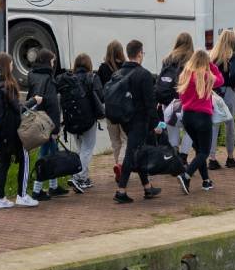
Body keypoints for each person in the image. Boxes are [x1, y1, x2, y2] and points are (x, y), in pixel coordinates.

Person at [112, 40, 165, 204]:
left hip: (125, 120)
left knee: (139, 152)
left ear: (129, 53)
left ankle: (147, 188)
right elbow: (150, 104)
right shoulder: (144, 74)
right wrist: (156, 124)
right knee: (131, 154)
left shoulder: (119, 73)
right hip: (140, 121)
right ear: (140, 53)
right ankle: (121, 191)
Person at [0, 53, 34, 208]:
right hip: (11, 132)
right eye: (12, 63)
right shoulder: (8, 85)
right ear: (7, 66)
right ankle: (22, 195)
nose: (13, 65)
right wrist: (34, 101)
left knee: (3, 164)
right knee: (25, 159)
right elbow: (17, 108)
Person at [174, 50, 224, 193]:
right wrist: (212, 65)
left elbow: (180, 95)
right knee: (204, 152)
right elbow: (221, 80)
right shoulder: (206, 76)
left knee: (199, 149)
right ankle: (186, 175)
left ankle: (206, 181)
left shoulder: (185, 75)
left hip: (188, 117)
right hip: (202, 116)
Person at [26, 49, 65, 201]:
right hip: (48, 123)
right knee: (45, 156)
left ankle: (54, 186)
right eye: (53, 61)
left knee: (52, 153)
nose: (54, 64)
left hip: (38, 120)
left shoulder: (33, 75)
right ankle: (37, 190)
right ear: (48, 62)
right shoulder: (48, 79)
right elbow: (53, 106)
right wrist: (55, 129)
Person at [64, 54, 105, 192]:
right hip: (88, 119)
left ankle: (84, 178)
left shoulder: (70, 78)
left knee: (81, 149)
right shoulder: (92, 77)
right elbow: (101, 96)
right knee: (87, 149)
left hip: (72, 119)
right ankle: (78, 177)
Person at [209, 29, 235, 168]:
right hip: (229, 92)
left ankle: (212, 158)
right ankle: (230, 157)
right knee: (229, 124)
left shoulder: (212, 56)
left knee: (214, 124)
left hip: (214, 93)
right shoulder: (233, 56)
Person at [99, 40, 128, 180]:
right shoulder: (126, 67)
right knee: (126, 139)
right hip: (123, 108)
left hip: (109, 109)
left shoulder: (103, 68)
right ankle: (120, 165)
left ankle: (118, 165)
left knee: (115, 141)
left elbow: (99, 90)